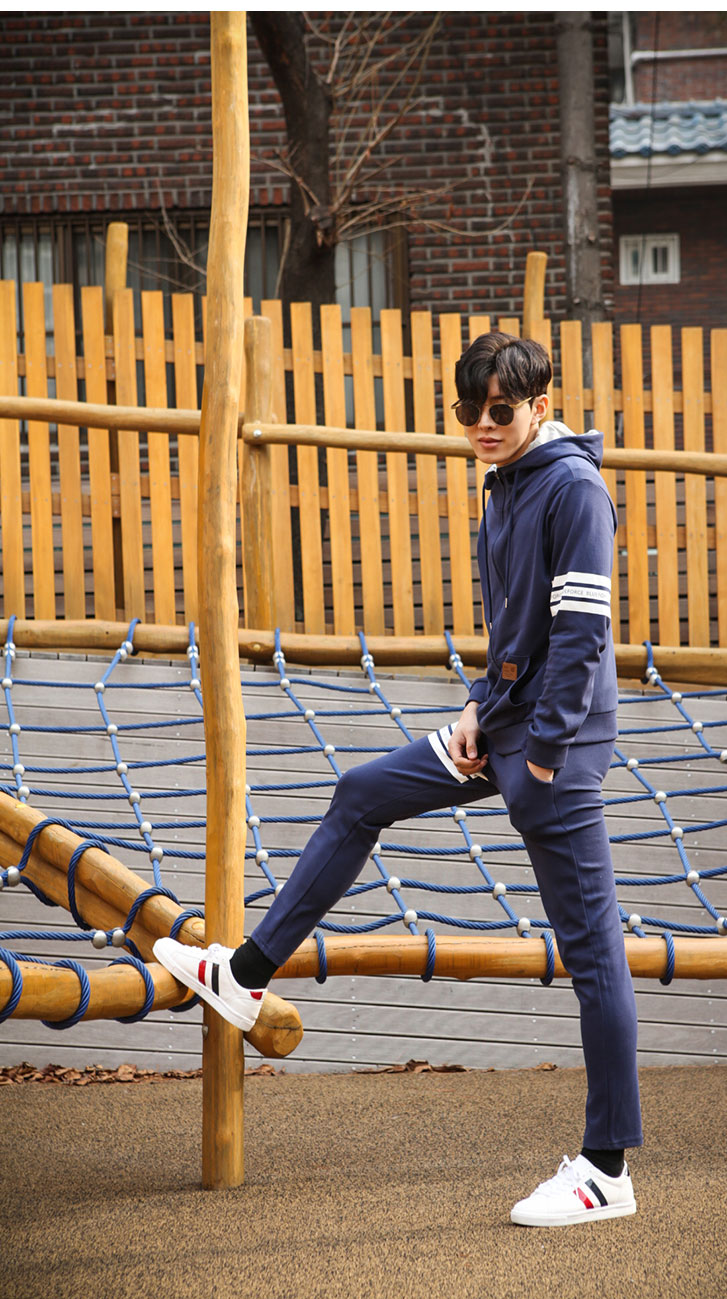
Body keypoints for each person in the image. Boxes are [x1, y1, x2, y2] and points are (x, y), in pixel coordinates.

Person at [154, 332, 643, 1227]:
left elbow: (581, 636)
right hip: (502, 726)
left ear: (540, 406)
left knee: (593, 957)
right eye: (469, 410)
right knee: (362, 794)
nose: (484, 424)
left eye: (502, 409)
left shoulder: (573, 488)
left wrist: (541, 756)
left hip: (557, 750)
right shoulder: (504, 484)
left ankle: (607, 1171)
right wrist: (477, 709)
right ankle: (246, 976)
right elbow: (515, 632)